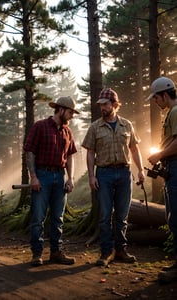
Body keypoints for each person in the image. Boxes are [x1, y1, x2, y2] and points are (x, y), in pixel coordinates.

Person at [82, 88, 145, 267]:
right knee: (104, 215)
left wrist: (140, 170)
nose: (102, 107)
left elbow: (134, 149)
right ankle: (106, 252)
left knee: (122, 215)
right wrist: (91, 176)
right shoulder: (95, 127)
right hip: (104, 174)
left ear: (115, 105)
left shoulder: (127, 125)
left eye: (105, 104)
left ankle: (121, 250)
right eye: (100, 105)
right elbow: (90, 152)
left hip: (125, 173)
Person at [24, 96, 78, 266]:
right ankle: (37, 254)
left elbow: (69, 157)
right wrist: (33, 176)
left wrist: (70, 178)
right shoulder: (40, 126)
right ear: (60, 110)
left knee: (58, 218)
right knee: (38, 217)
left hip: (60, 177)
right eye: (70, 112)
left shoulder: (68, 132)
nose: (71, 116)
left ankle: (56, 252)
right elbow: (29, 152)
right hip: (42, 175)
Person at [147, 76, 177, 282]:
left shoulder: (175, 112)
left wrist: (159, 155)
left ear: (164, 95)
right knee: (173, 217)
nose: (156, 102)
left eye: (156, 98)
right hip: (171, 167)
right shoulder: (171, 113)